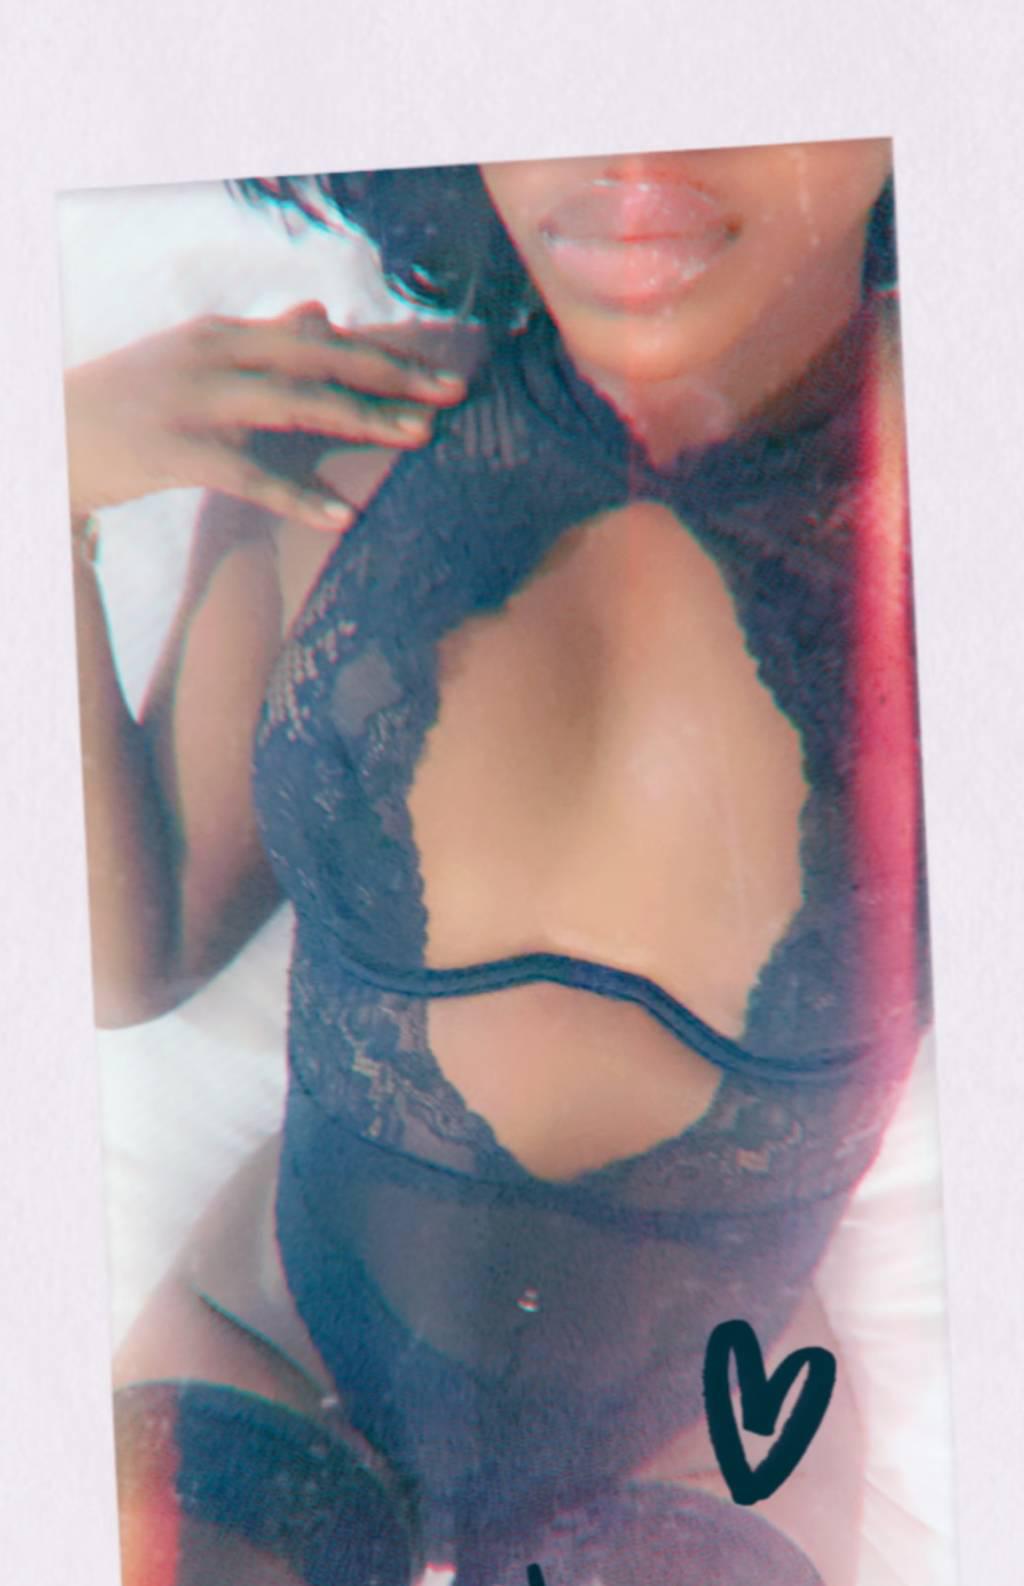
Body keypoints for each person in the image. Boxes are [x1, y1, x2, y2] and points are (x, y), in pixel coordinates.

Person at [66, 141, 927, 1586]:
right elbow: (126, 950)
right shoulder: (353, 427)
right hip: (272, 1338)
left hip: (707, 1436)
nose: (634, 152)